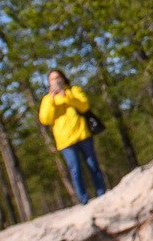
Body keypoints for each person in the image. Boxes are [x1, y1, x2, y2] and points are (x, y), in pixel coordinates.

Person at [40, 69, 108, 204]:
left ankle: (102, 193)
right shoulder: (47, 100)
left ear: (63, 78)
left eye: (58, 77)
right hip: (65, 141)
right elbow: (45, 119)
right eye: (52, 79)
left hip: (82, 134)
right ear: (49, 83)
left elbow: (84, 106)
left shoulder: (73, 90)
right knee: (75, 170)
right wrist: (52, 99)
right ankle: (83, 199)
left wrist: (66, 96)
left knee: (92, 164)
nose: (56, 81)